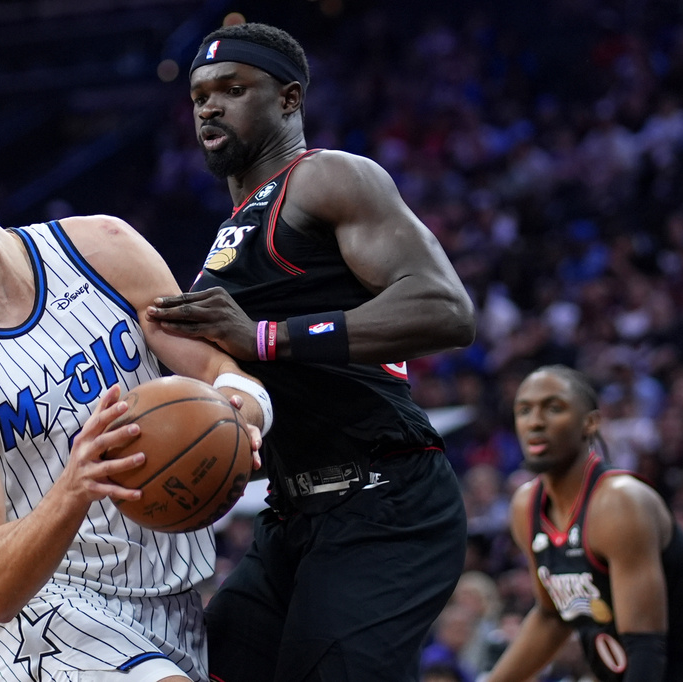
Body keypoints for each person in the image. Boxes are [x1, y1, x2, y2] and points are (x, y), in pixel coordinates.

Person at [0, 95, 274, 682]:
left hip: (176, 591)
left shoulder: (103, 246)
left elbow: (220, 373)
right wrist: (74, 488)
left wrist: (244, 413)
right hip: (44, 619)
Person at [146, 21, 476, 682]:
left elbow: (446, 308)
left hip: (388, 497)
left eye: (232, 89)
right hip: (295, 512)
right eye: (198, 96)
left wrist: (267, 338)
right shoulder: (225, 242)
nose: (209, 106)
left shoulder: (327, 178)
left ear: (289, 99)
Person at [485, 365, 683, 681]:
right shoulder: (525, 506)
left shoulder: (620, 502)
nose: (536, 422)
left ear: (591, 422)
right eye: (524, 410)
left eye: (554, 408)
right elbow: (553, 616)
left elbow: (646, 650)